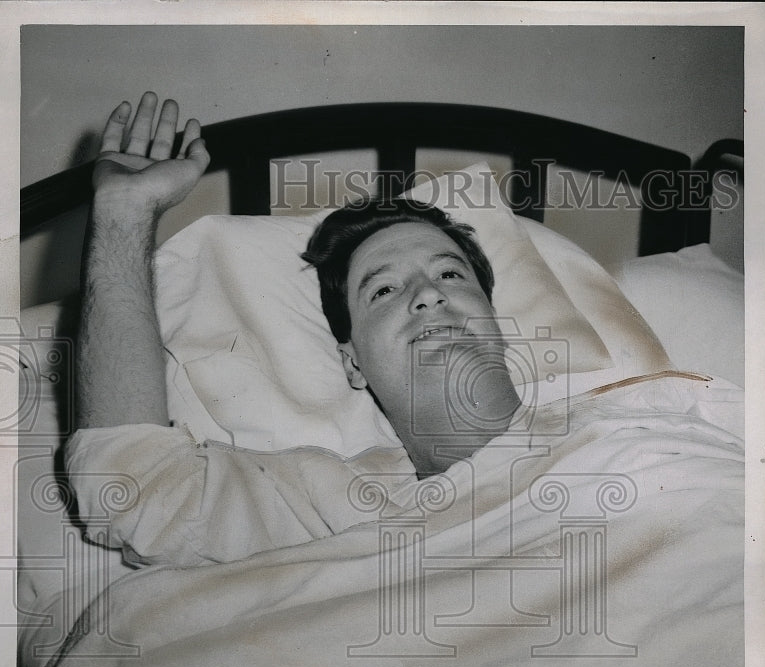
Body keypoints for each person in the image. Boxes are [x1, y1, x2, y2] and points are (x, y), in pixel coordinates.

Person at [70, 92, 521, 567]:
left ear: (495, 323)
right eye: (383, 291)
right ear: (353, 364)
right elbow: (131, 487)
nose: (428, 294)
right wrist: (125, 212)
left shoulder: (601, 429)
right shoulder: (331, 503)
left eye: (450, 274)